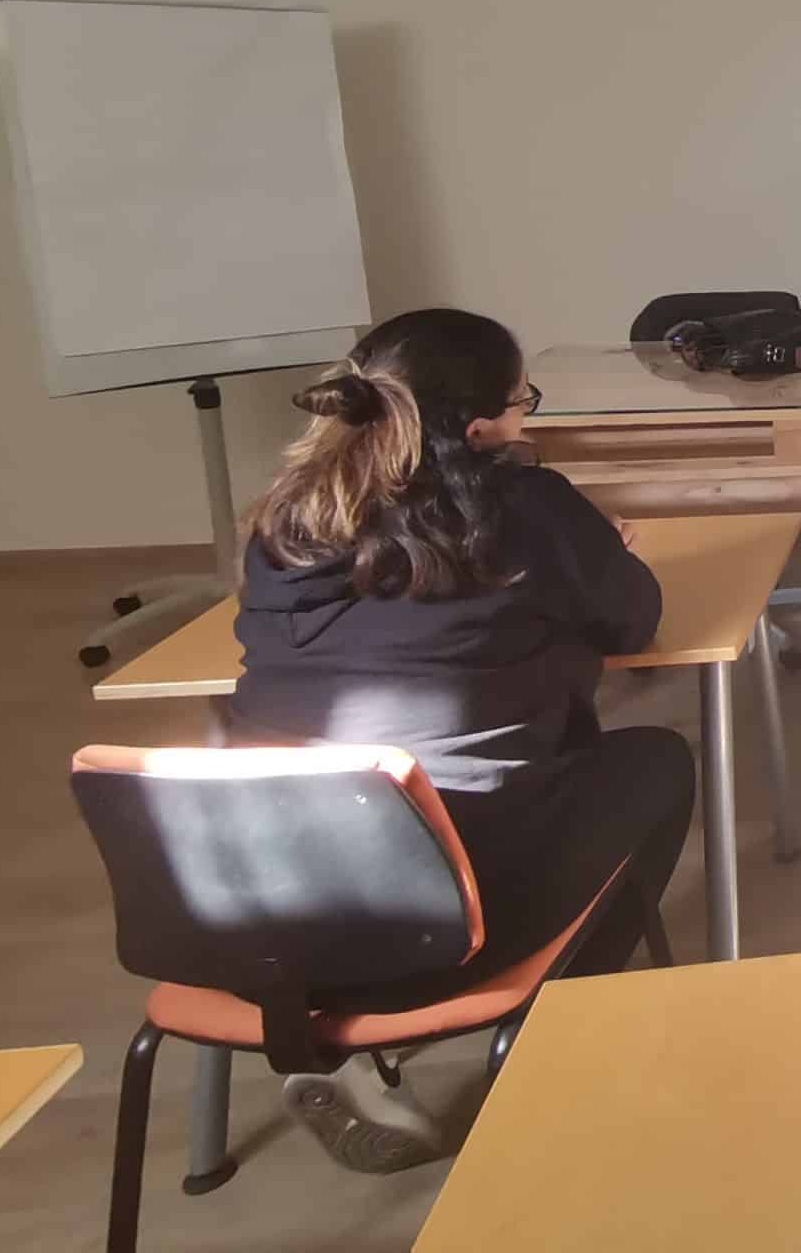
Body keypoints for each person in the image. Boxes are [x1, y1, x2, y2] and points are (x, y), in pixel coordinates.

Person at [231, 308, 695, 1169]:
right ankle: (553, 1032)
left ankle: (334, 1052)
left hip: (256, 908)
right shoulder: (525, 506)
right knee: (655, 762)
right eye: (523, 402)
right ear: (479, 427)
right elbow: (633, 620)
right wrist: (600, 549)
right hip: (454, 914)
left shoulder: (285, 521)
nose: (524, 419)